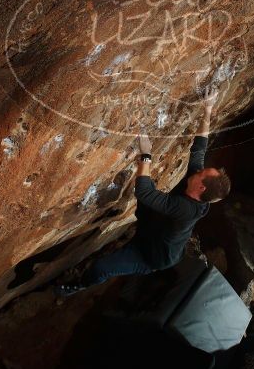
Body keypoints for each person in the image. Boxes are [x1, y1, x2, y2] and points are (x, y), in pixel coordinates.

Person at [55, 95, 231, 296]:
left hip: (150, 255)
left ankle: (78, 286)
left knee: (101, 267)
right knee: (147, 200)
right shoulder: (198, 184)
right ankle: (129, 235)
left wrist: (145, 155)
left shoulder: (187, 210)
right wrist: (207, 109)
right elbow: (199, 148)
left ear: (200, 188)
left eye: (200, 173)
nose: (198, 170)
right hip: (154, 226)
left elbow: (145, 192)